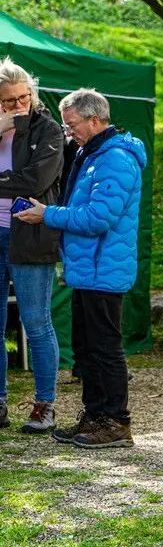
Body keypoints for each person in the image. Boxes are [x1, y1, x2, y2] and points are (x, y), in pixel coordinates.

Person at [16, 88, 145, 449]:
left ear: (94, 120)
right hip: (88, 268)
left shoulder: (115, 158)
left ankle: (117, 421)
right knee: (87, 349)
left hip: (105, 268)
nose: (66, 130)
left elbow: (98, 218)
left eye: (72, 124)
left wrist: (48, 214)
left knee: (105, 348)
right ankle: (93, 415)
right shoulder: (91, 154)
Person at [0, 58, 64, 433]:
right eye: (9, 101)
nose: (19, 106)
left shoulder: (48, 128)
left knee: (36, 322)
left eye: (24, 97)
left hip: (30, 234)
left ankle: (45, 404)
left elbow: (36, 179)